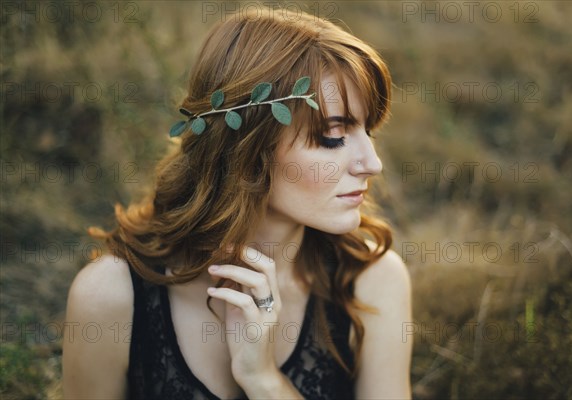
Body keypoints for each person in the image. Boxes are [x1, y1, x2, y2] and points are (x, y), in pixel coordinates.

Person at [62, 7, 412, 400]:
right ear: (248, 147)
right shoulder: (109, 297)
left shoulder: (372, 280)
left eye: (369, 130)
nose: (373, 164)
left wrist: (264, 381)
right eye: (332, 136)